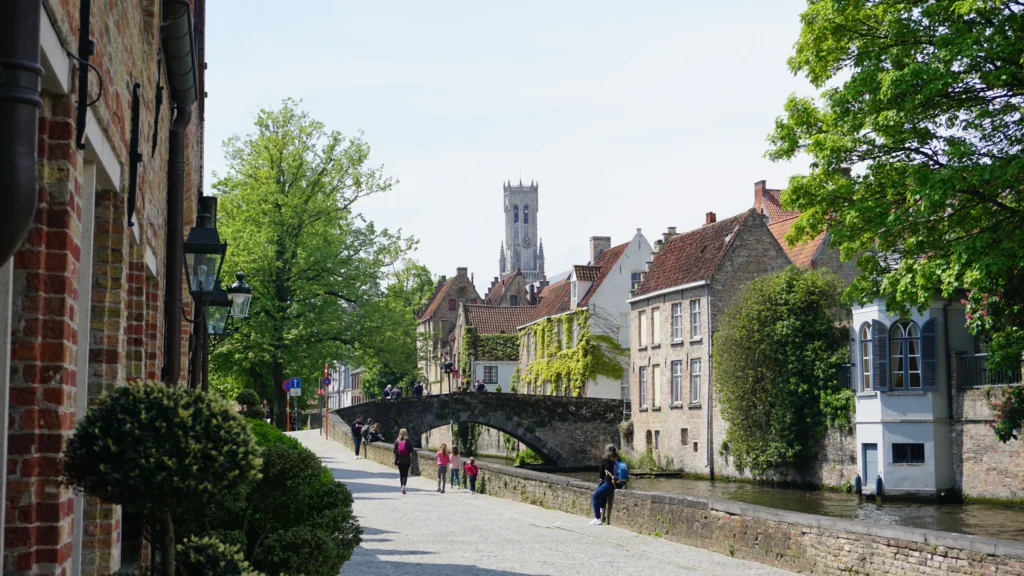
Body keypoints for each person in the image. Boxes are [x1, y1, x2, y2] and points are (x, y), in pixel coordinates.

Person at [590, 444, 618, 525]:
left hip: (608, 483)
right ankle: (601, 508)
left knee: (595, 496)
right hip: (616, 484)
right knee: (601, 492)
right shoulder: (618, 460)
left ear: (607, 451)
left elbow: (601, 477)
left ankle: (598, 518)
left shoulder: (606, 461)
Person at [393, 428, 413, 495]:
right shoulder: (408, 441)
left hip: (399, 460)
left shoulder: (397, 441)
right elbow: (411, 450)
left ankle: (401, 486)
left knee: (401, 474)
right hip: (407, 460)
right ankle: (404, 486)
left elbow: (394, 450)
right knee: (405, 474)